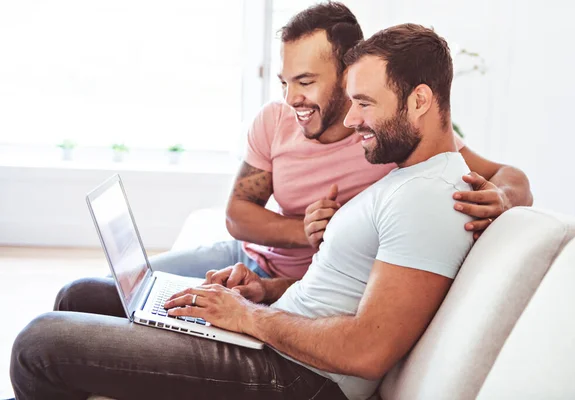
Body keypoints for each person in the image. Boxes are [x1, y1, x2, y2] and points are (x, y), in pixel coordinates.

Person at [13, 22, 475, 400]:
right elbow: (352, 289)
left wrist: (248, 318)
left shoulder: (430, 197)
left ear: (419, 101)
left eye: (365, 103)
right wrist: (264, 291)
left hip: (299, 377)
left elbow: (368, 350)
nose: (352, 120)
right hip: (280, 339)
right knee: (79, 299)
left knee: (39, 343)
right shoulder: (408, 175)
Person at [52, 3, 532, 316]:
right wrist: (299, 229)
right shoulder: (274, 122)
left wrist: (505, 197)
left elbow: (508, 175)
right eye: (284, 82)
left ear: (348, 72)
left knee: (93, 304)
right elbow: (237, 215)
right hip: (246, 261)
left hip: (296, 291)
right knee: (97, 294)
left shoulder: (386, 135)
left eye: (305, 81)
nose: (291, 99)